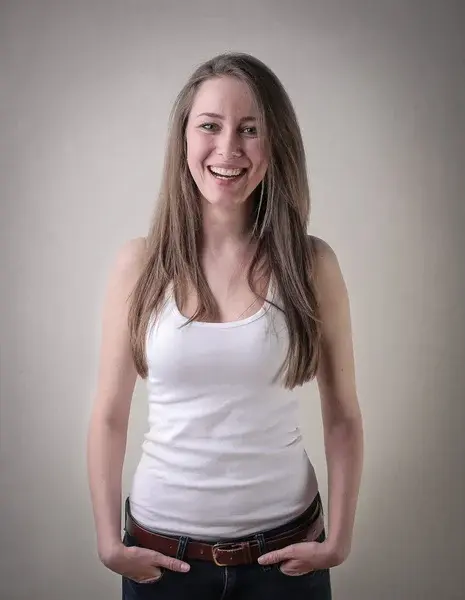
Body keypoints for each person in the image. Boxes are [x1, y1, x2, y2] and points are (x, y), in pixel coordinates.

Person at [87, 52, 364, 600]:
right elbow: (108, 416)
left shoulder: (311, 264)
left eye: (249, 129)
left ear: (275, 143)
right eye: (210, 126)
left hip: (285, 560)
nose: (228, 148)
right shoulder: (139, 265)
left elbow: (343, 417)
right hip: (161, 560)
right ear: (183, 138)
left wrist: (340, 540)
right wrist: (106, 541)